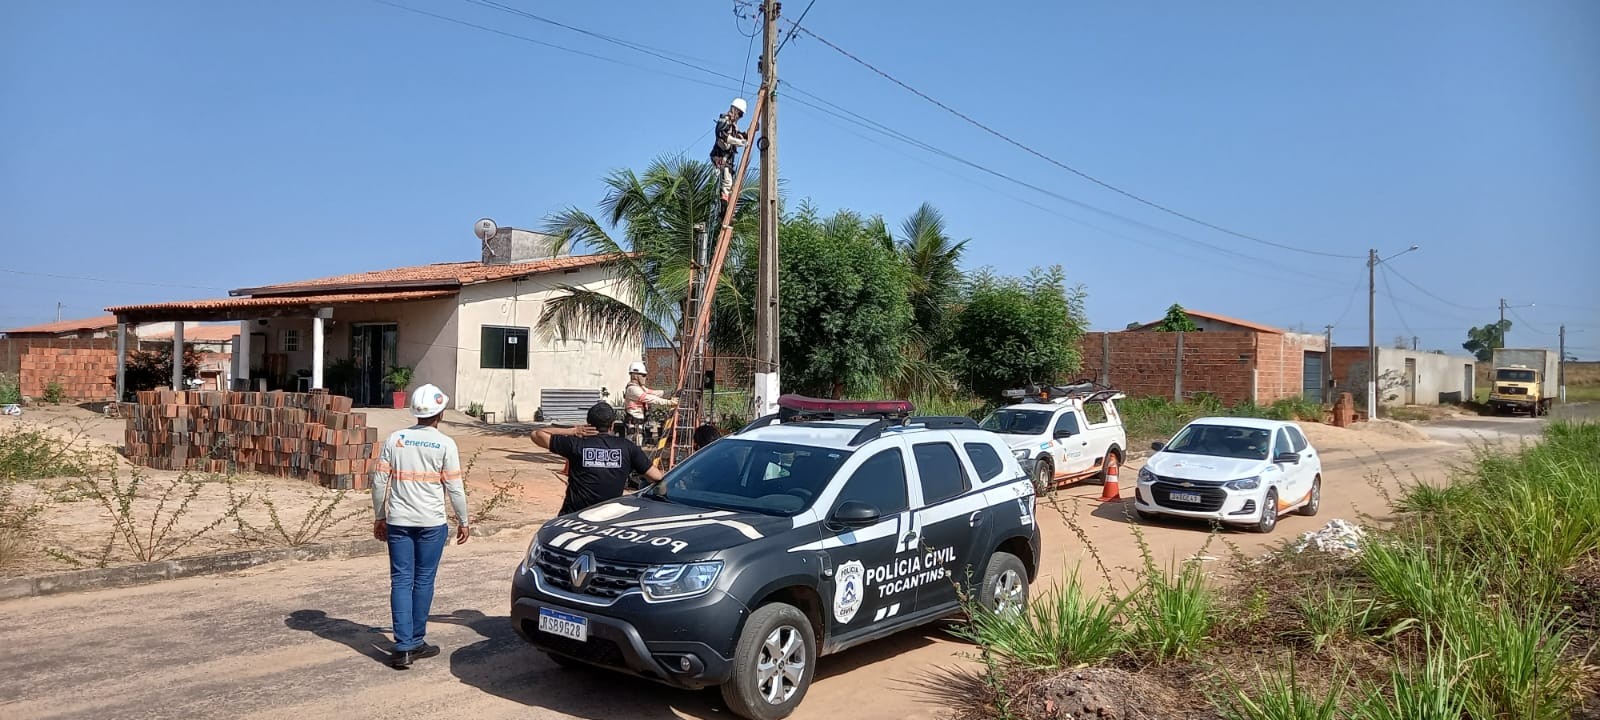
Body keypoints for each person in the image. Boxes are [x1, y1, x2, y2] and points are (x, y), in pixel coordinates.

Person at [370, 383, 470, 670]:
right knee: (424, 580)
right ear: (440, 413)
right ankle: (416, 639)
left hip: (399, 522)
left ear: (415, 411)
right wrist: (463, 520)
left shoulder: (395, 439)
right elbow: (455, 488)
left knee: (401, 580)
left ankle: (402, 647)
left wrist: (380, 516)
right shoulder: (446, 444)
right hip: (431, 523)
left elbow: (379, 482)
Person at [532, 401, 664, 516]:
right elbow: (656, 477)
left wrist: (573, 431)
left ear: (588, 423)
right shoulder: (628, 447)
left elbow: (537, 434)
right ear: (612, 425)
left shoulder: (576, 444)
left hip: (574, 516)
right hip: (606, 518)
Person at [623, 360, 677, 444]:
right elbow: (650, 398)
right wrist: (669, 402)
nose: (645, 378)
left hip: (638, 425)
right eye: (643, 375)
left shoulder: (640, 387)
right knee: (634, 449)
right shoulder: (632, 389)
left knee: (637, 447)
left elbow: (652, 393)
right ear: (635, 376)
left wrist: (669, 392)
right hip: (634, 427)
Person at [708, 97, 748, 202]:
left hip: (727, 159)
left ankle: (725, 203)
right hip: (719, 156)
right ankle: (721, 205)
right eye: (739, 114)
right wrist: (740, 142)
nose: (740, 117)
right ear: (735, 110)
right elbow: (723, 136)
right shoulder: (724, 120)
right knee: (721, 181)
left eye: (741, 115)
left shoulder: (734, 126)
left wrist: (748, 133)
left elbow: (739, 137)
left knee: (728, 182)